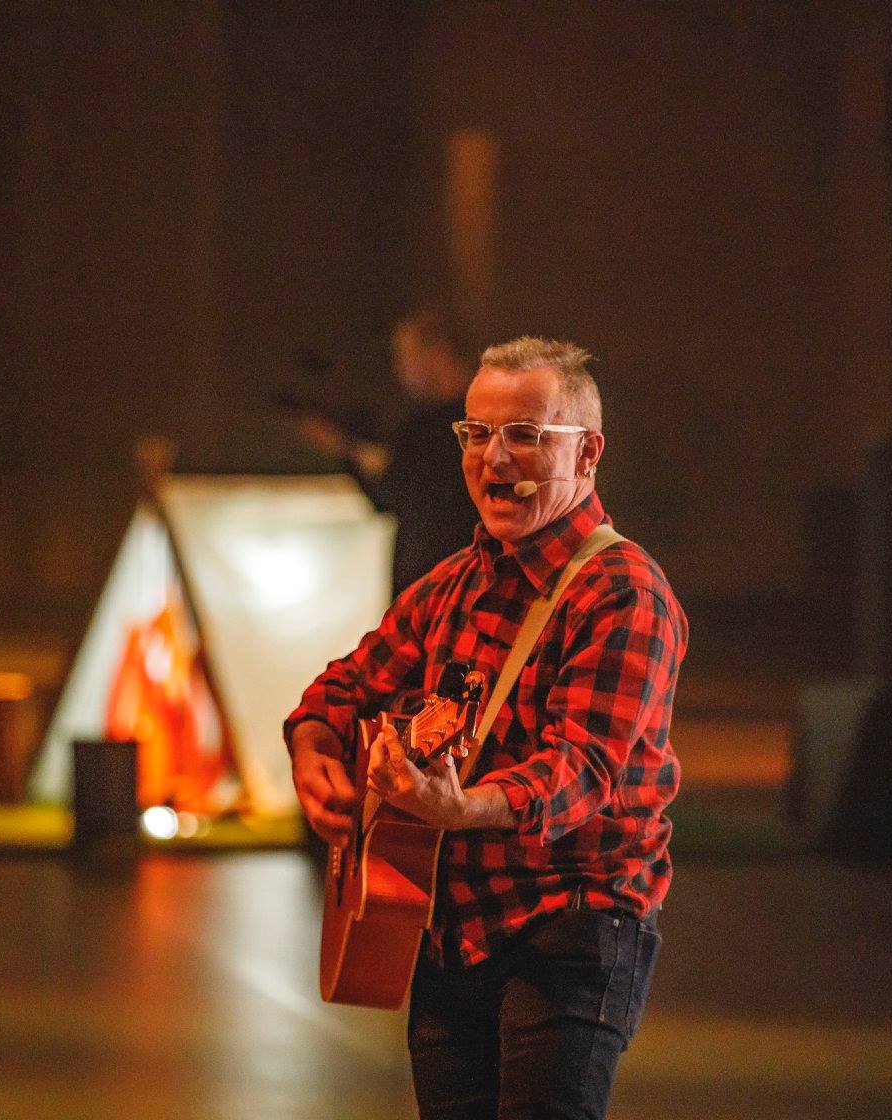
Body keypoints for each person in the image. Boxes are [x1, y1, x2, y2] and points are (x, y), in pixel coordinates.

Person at [285, 337, 686, 1119]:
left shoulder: (624, 592)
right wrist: (313, 753)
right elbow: (340, 688)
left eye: (526, 436)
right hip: (450, 928)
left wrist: (462, 807)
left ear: (589, 453)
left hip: (571, 928)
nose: (494, 458)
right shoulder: (453, 584)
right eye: (476, 434)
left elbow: (581, 772)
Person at [298, 307, 481, 594]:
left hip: (435, 590)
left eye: (406, 357)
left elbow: (395, 495)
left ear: (437, 352)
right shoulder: (476, 421)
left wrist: (349, 451)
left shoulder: (440, 428)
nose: (400, 369)